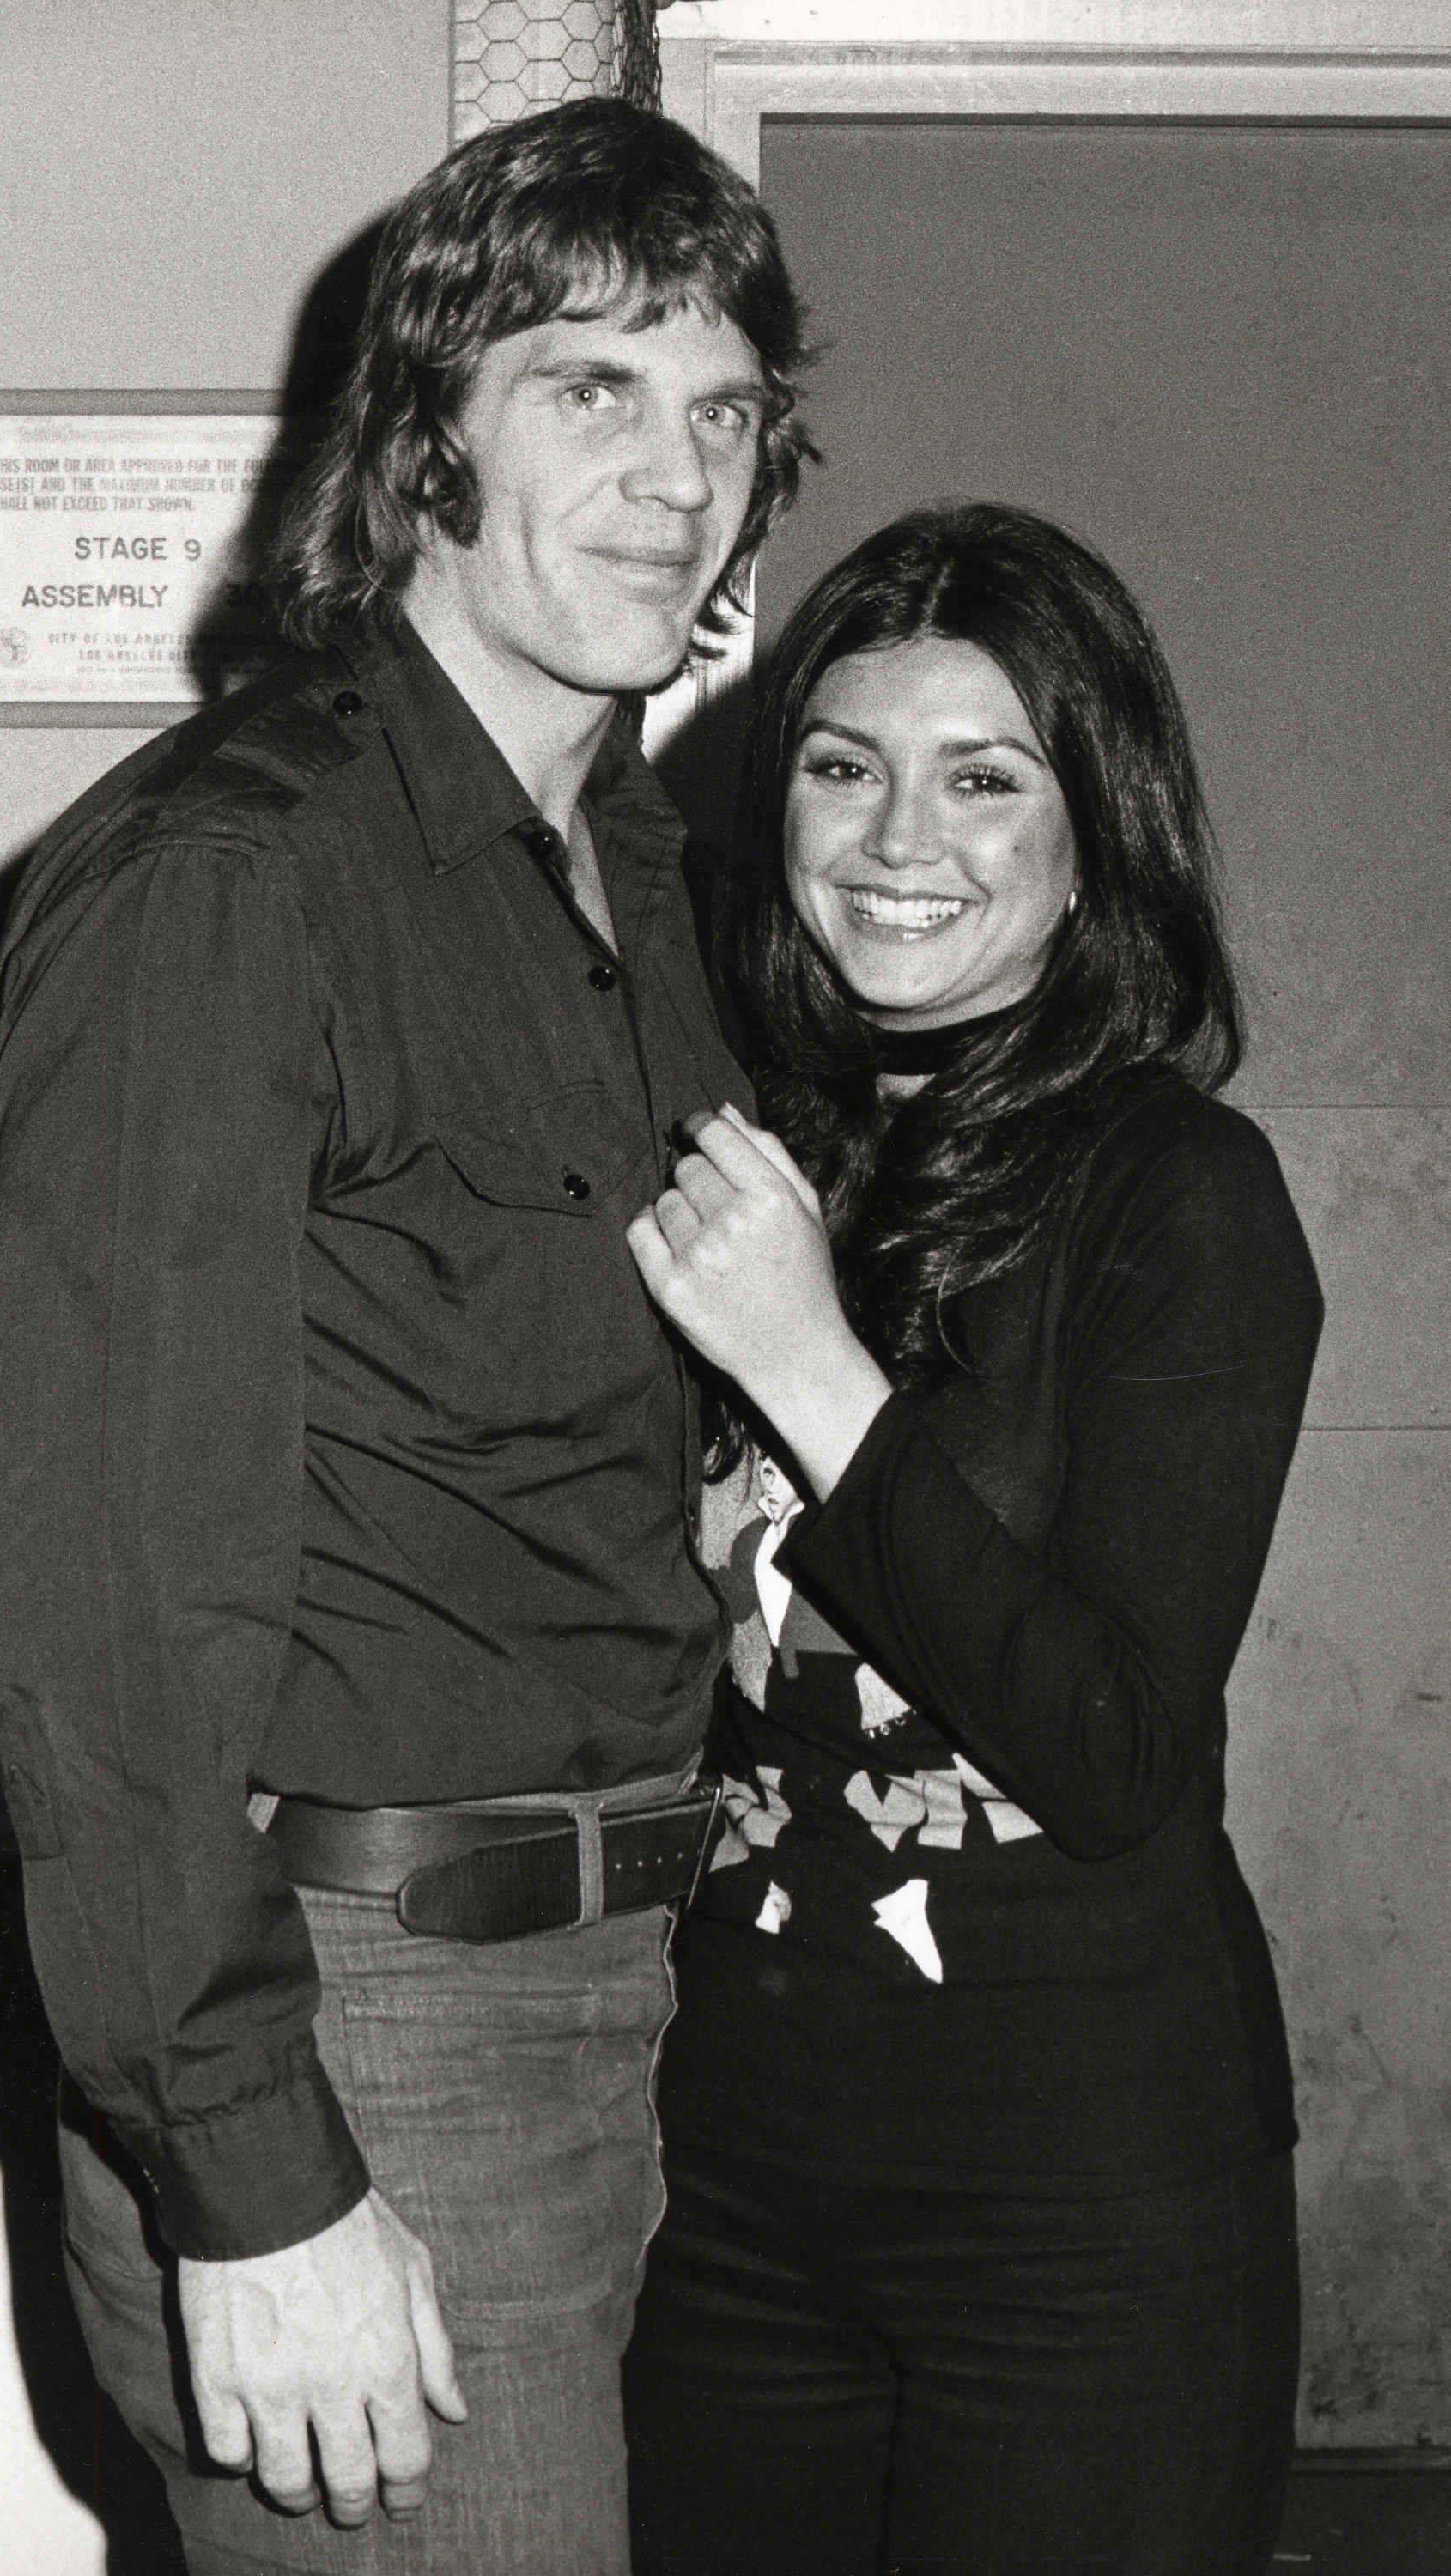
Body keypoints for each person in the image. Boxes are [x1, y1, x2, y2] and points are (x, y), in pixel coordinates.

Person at [0, 98, 810, 2576]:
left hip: (598, 1992)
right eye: (590, 389)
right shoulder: (236, 879)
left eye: (724, 409)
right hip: (357, 2016)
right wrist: (252, 2179)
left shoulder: (628, 870)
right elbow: (103, 1603)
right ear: (428, 426)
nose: (677, 476)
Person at [622, 501, 1324, 2576]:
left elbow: (1109, 1750)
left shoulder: (1183, 1196)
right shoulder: (741, 1153)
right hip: (729, 2179)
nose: (895, 834)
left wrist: (808, 1368)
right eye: (841, 766)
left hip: (1083, 2203)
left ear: (1092, 832)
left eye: (982, 776)